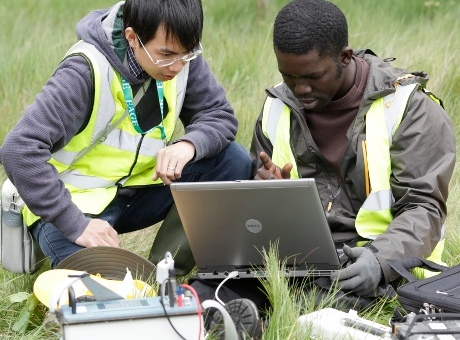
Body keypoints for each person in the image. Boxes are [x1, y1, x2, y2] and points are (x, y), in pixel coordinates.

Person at [194, 0, 456, 337]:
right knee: (205, 291)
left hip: (371, 264)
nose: (300, 89)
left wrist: (379, 260)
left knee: (318, 312)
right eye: (288, 76)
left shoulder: (409, 108)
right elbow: (256, 218)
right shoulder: (277, 106)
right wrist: (269, 194)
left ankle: (260, 323)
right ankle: (230, 317)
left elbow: (425, 208)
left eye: (313, 77)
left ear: (345, 57)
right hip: (294, 262)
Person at [0, 0, 252, 269]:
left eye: (187, 54)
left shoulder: (180, 53)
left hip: (138, 189)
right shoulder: (84, 72)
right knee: (103, 287)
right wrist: (75, 224)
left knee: (232, 161)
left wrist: (189, 144)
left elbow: (219, 114)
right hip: (76, 203)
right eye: (166, 55)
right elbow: (19, 148)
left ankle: (163, 273)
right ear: (132, 37)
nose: (178, 66)